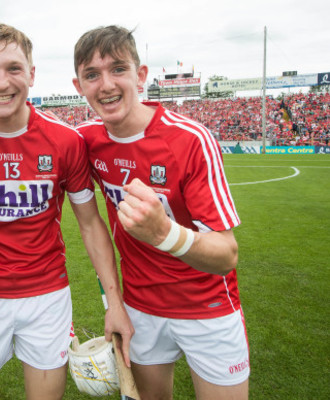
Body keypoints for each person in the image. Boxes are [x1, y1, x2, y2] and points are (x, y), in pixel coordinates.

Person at [0, 23, 133, 400]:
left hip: (47, 298)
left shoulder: (65, 140)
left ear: (31, 75)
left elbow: (89, 224)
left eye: (14, 68)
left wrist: (113, 302)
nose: (1, 82)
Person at [72, 25, 250, 399]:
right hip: (140, 308)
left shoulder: (189, 139)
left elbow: (227, 255)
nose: (105, 85)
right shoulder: (86, 140)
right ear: (79, 86)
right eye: (92, 74)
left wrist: (164, 233)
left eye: (118, 69)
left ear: (140, 75)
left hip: (209, 307)